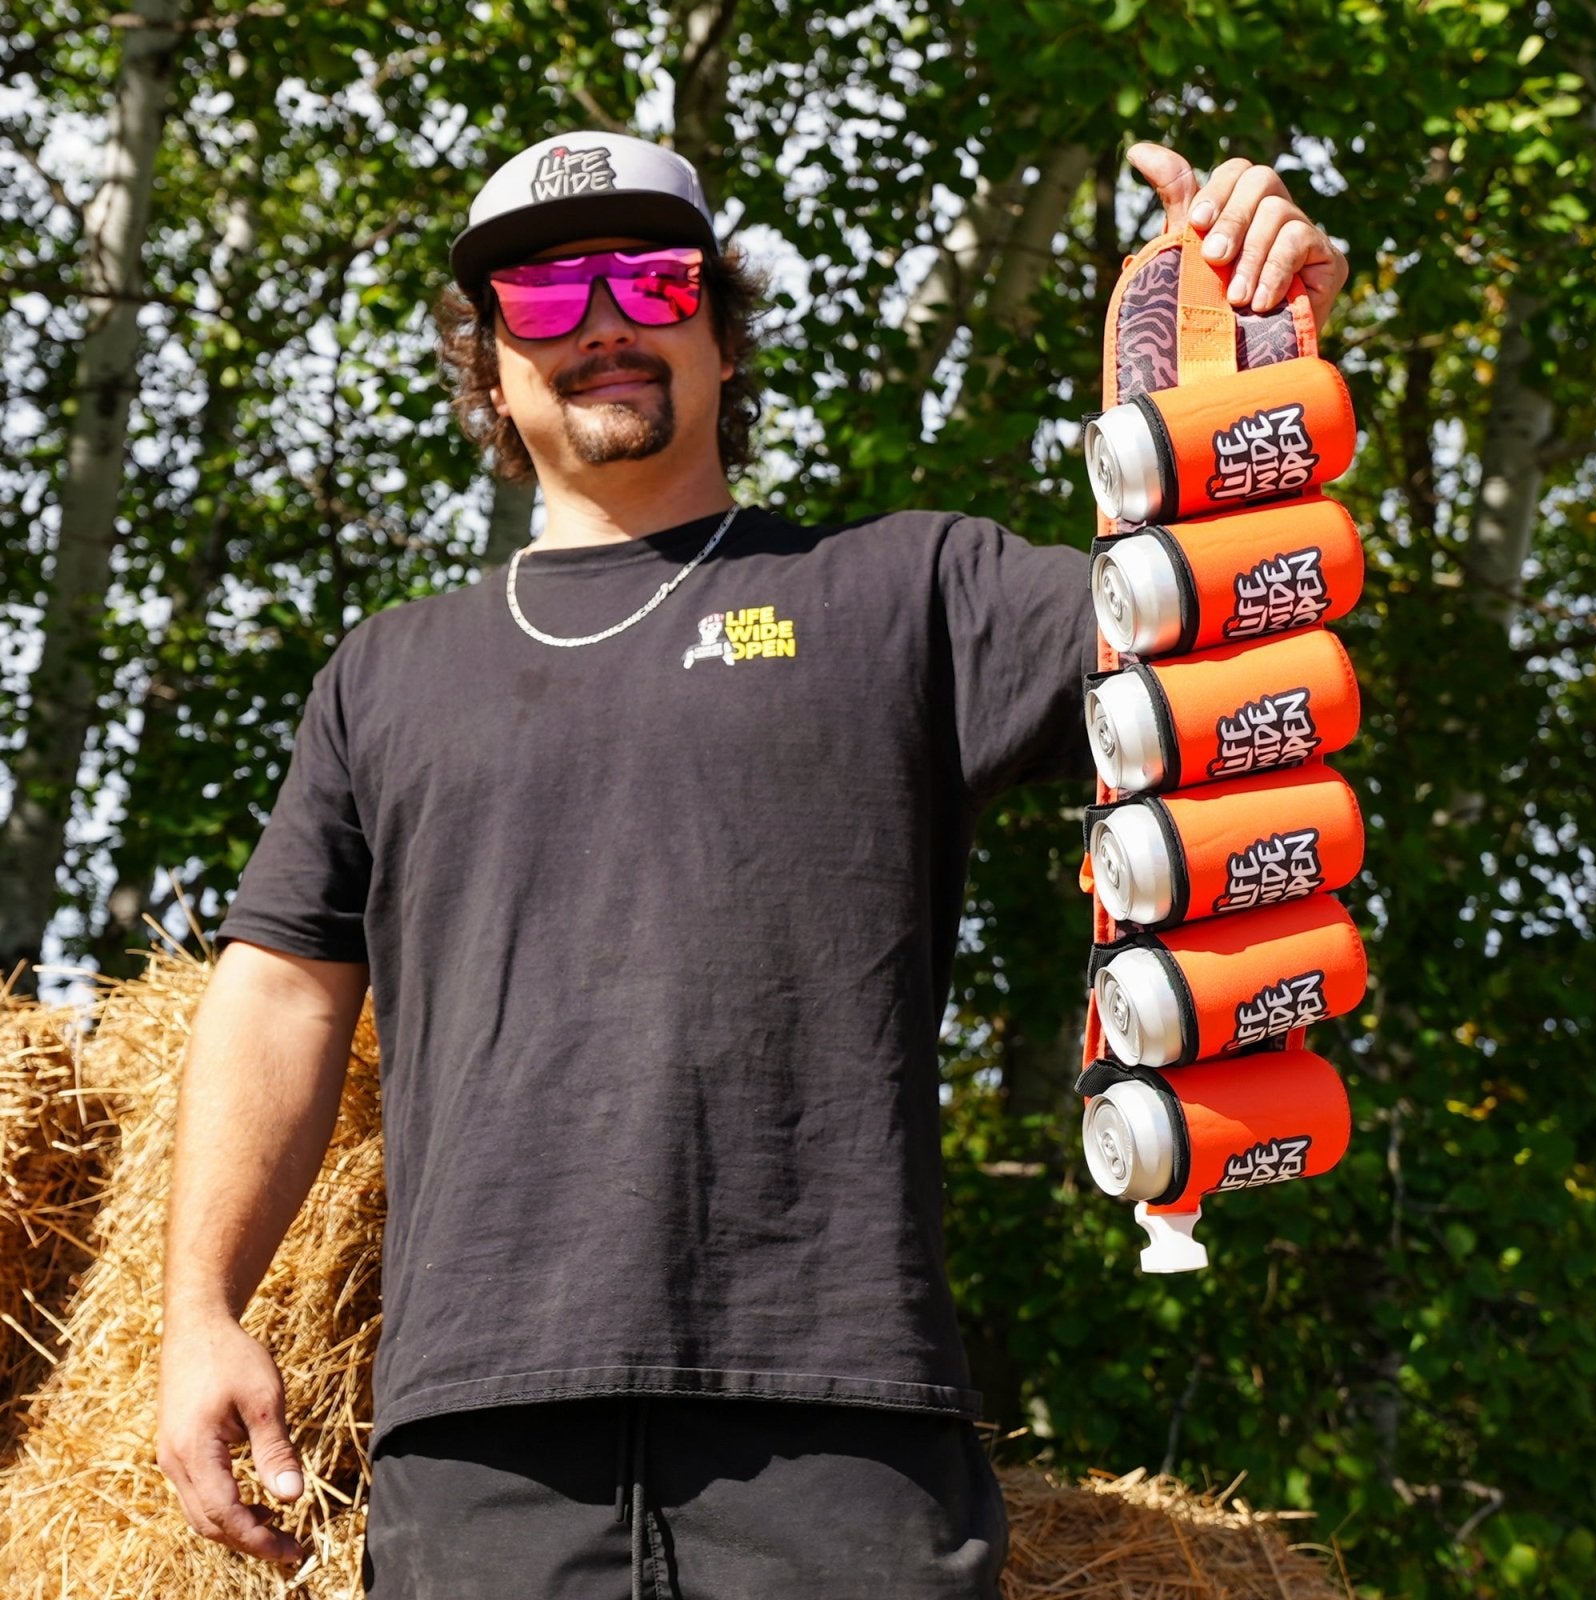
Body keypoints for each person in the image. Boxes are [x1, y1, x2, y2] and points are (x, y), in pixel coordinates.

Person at [155, 131, 1348, 1599]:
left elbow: (1237, 628)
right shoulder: (386, 675)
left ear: (722, 331)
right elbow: (277, 992)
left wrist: (1264, 361)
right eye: (543, 294)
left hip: (840, 1435)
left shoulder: (907, 593)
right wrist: (200, 1313)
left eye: (653, 280)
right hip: (480, 1449)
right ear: (488, 360)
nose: (603, 319)